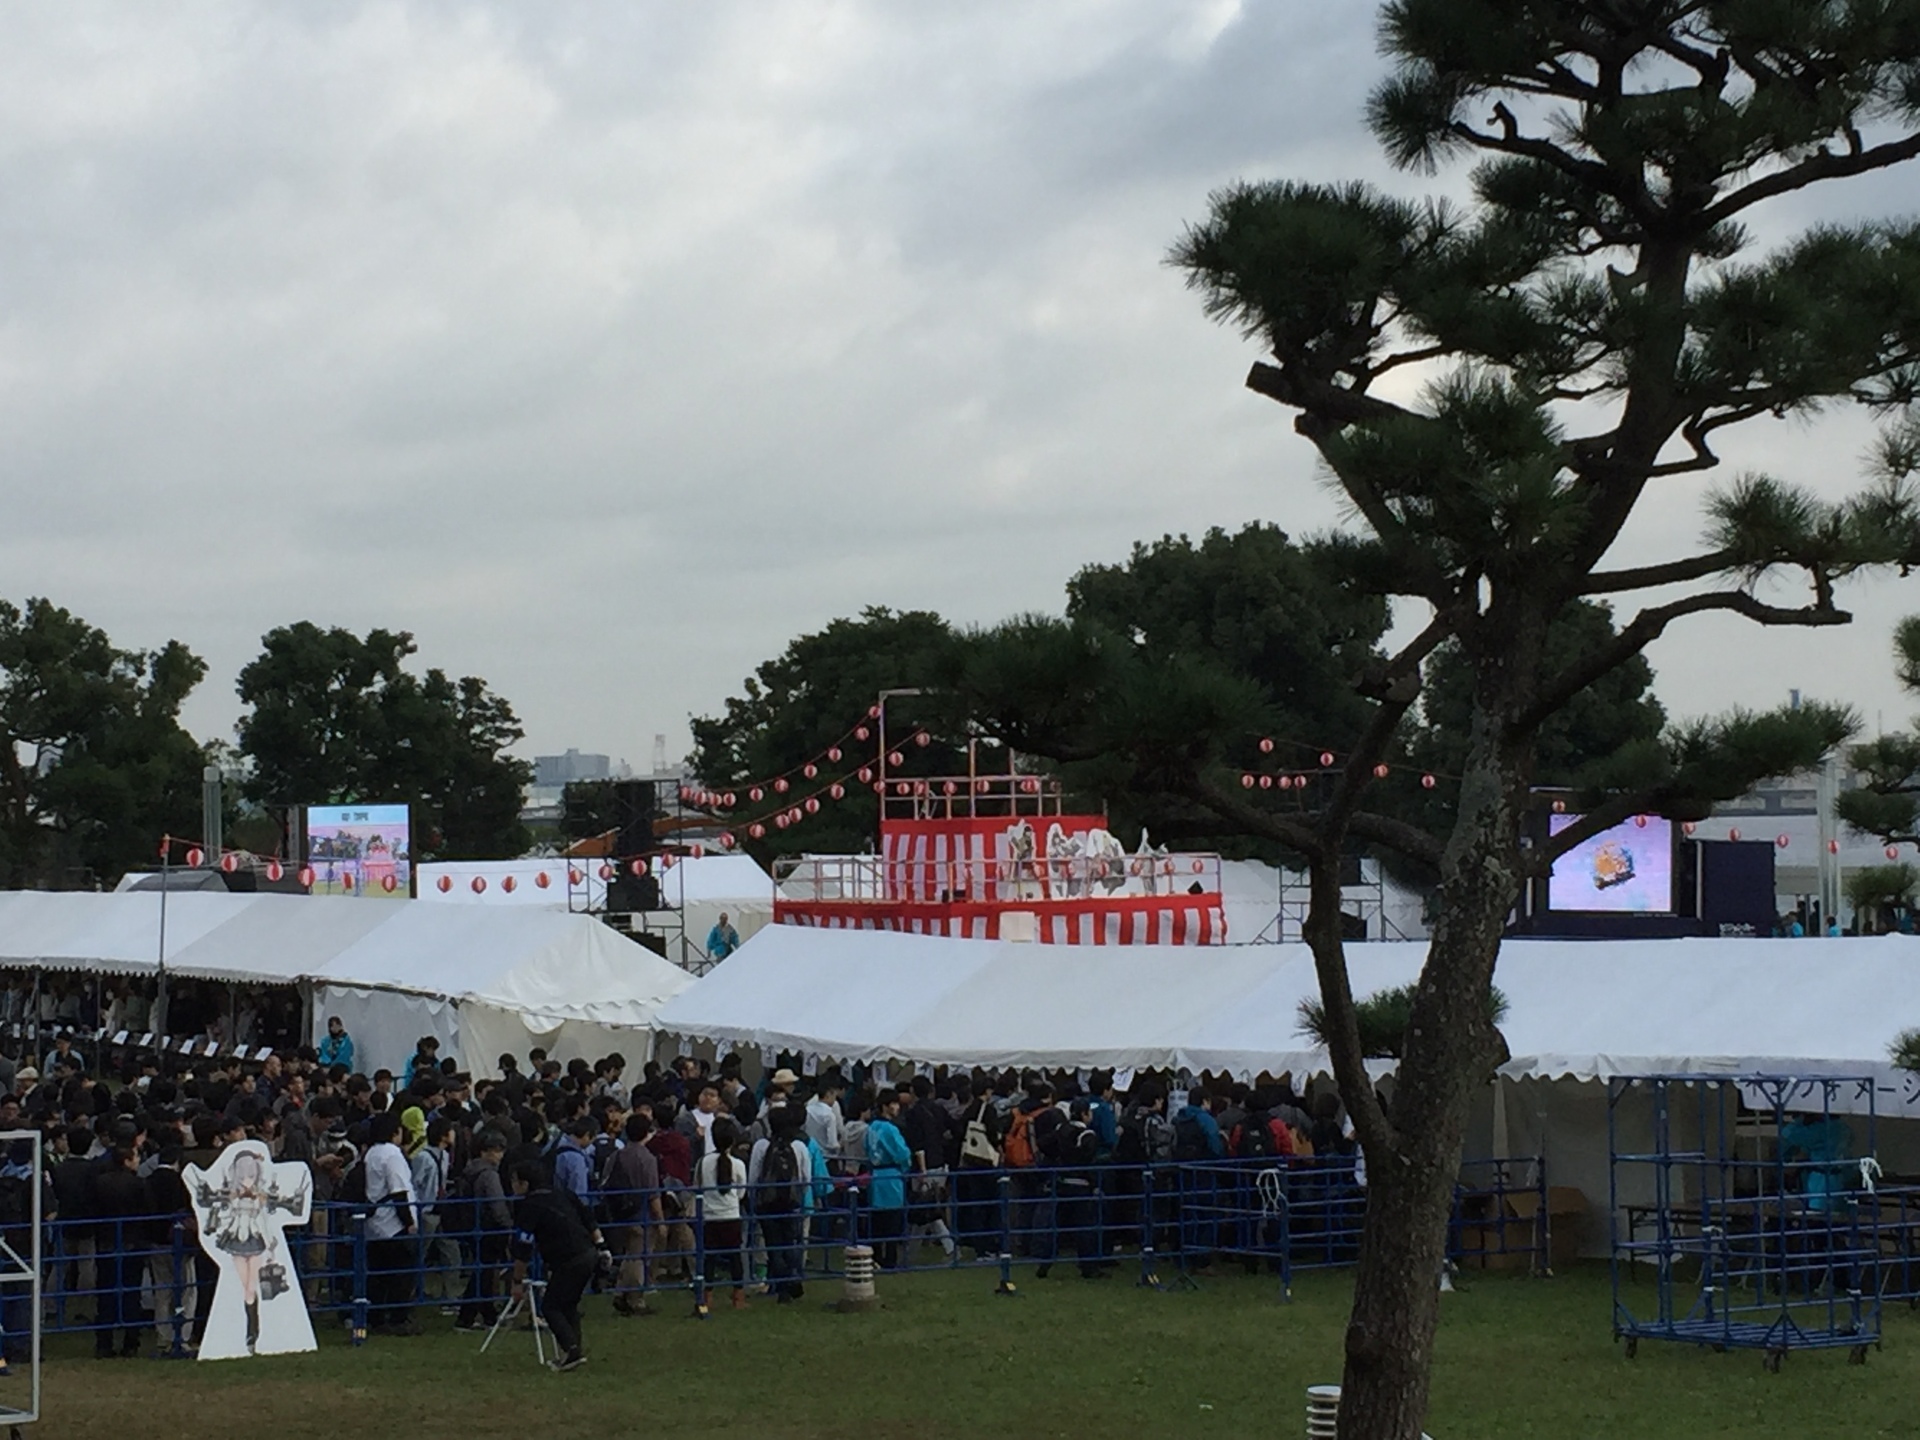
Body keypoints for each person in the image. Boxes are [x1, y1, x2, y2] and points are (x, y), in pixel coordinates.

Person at [506, 1149, 606, 1372]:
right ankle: (574, 1350)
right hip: (587, 1253)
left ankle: (571, 1350)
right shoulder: (563, 1193)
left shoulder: (529, 1206)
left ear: (524, 1183)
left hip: (567, 1258)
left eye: (514, 1181)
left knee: (550, 1306)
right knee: (568, 1304)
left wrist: (517, 1280)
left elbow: (522, 1247)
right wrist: (601, 1246)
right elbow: (588, 1218)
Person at [362, 1111, 420, 1335]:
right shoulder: (392, 1154)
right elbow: (399, 1190)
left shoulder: (370, 1154)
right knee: (402, 1274)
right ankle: (398, 1318)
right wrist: (408, 1222)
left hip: (374, 1223)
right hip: (393, 1222)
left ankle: (376, 1318)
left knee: (378, 1275)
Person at [747, 1104, 812, 1302]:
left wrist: (754, 1198)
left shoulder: (761, 1146)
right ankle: (792, 1279)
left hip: (767, 1203)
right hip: (791, 1203)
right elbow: (806, 1178)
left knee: (773, 1244)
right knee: (790, 1242)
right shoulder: (799, 1146)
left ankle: (781, 1286)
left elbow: (753, 1177)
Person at [91, 1147, 149, 1358]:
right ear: (127, 1161)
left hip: (106, 1242)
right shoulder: (138, 1184)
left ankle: (104, 1343)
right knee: (131, 1294)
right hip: (132, 1243)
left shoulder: (99, 1183)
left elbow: (93, 1209)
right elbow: (145, 1210)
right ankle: (131, 1343)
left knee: (106, 1294)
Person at [454, 1130, 513, 1333]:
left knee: (483, 1272)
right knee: (484, 1273)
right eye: (496, 1151)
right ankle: (468, 1317)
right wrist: (508, 1225)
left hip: (472, 1225)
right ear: (486, 1152)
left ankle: (486, 1314)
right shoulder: (489, 1174)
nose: (500, 1155)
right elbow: (497, 1206)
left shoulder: (469, 1171)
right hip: (489, 1228)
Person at [604, 1113, 663, 1317]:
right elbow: (653, 1194)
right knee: (638, 1257)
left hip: (620, 1212)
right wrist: (661, 1220)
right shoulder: (647, 1158)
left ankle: (621, 1293)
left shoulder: (617, 1155)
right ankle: (635, 1299)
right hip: (641, 1214)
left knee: (630, 1255)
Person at [693, 1115, 749, 1310]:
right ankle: (738, 1297)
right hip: (731, 1215)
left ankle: (707, 1297)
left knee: (709, 1258)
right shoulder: (739, 1165)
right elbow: (742, 1191)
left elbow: (697, 1187)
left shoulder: (703, 1163)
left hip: (709, 1216)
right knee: (735, 1257)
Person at [863, 1092, 912, 1269]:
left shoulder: (871, 1127)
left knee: (877, 1220)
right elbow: (902, 1153)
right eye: (894, 1104)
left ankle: (876, 1256)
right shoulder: (890, 1129)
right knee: (893, 1219)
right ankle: (890, 1259)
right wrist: (906, 1165)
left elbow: (866, 1148)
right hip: (891, 1175)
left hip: (875, 1175)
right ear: (886, 1106)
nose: (897, 1107)